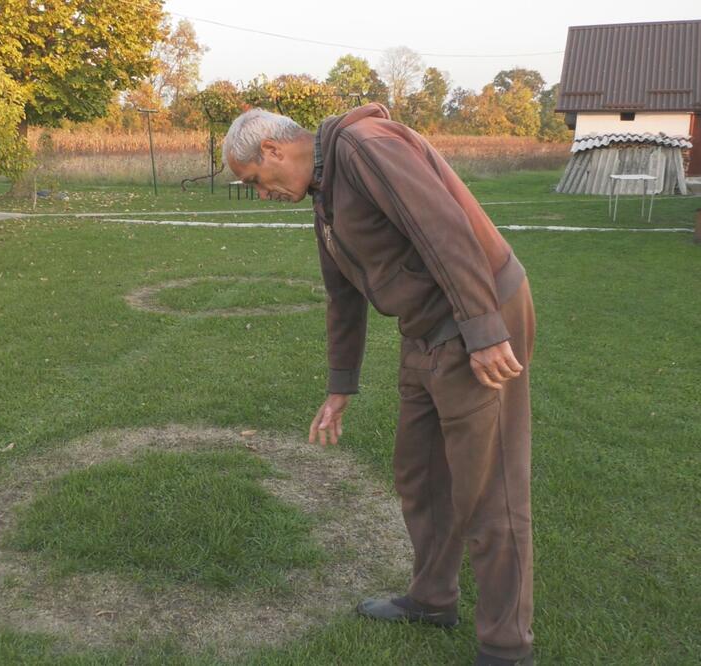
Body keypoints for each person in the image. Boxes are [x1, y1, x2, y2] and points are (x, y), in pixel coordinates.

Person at [222, 104, 537, 666]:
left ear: (271, 150)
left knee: (489, 487)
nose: (258, 192)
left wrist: (485, 329)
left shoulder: (364, 146)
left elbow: (445, 227)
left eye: (253, 181)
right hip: (426, 328)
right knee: (419, 471)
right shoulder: (324, 192)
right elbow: (341, 292)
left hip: (477, 314)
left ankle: (506, 646)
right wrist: (341, 384)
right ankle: (432, 598)